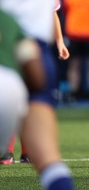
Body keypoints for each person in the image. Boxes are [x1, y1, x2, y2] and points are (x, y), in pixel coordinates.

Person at [0, 0, 75, 189]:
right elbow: (27, 47)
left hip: (14, 60)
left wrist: (58, 41)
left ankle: (19, 151)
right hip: (26, 60)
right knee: (50, 162)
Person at [0, 10, 44, 160]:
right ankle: (27, 152)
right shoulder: (10, 19)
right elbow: (28, 56)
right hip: (10, 82)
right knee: (22, 109)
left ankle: (8, 153)